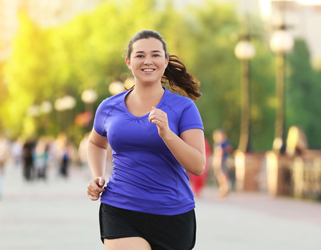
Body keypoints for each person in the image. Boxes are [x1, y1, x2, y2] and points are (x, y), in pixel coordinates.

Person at [86, 30, 205, 250]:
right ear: (129, 62)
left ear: (165, 61)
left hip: (173, 214)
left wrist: (168, 135)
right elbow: (95, 143)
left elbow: (198, 166)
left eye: (155, 55)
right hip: (120, 208)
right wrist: (97, 176)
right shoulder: (109, 107)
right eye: (140, 55)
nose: (147, 61)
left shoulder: (184, 108)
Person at [212, 129, 232, 197]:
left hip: (221, 161)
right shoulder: (220, 143)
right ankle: (224, 188)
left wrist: (218, 162)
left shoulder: (222, 143)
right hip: (222, 160)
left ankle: (225, 188)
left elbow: (219, 153)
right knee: (221, 175)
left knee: (222, 175)